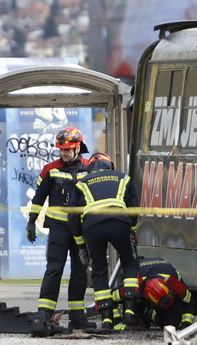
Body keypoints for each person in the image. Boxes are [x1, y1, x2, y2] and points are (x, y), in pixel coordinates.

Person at [27, 126, 94, 331]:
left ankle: (77, 316)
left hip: (81, 229)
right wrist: (31, 221)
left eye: (68, 149)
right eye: (61, 149)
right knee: (54, 269)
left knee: (80, 271)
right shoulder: (50, 169)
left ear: (78, 148)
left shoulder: (89, 168)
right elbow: (38, 198)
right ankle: (44, 314)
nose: (64, 153)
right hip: (58, 229)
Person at [75, 151, 139, 330]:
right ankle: (129, 310)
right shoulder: (123, 178)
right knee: (130, 262)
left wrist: (81, 245)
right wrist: (132, 230)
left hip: (92, 227)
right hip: (119, 223)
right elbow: (134, 207)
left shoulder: (82, 183)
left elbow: (73, 218)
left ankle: (107, 318)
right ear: (110, 166)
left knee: (99, 269)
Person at [125, 257, 195, 330]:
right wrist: (118, 321)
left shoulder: (173, 282)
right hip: (142, 281)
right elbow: (112, 296)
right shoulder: (134, 282)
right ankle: (147, 313)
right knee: (136, 319)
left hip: (164, 271)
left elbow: (190, 302)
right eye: (164, 303)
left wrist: (186, 324)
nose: (167, 304)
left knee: (171, 324)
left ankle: (152, 314)